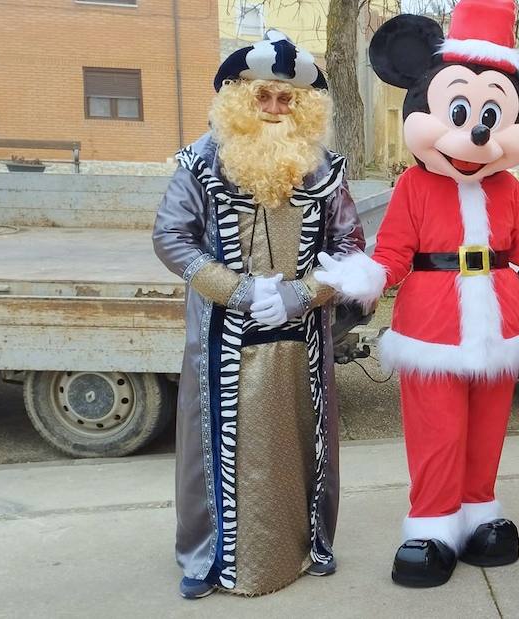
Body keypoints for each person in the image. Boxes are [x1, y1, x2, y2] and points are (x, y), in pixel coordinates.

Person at [314, 2, 519, 588]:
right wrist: (366, 277)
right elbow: (391, 253)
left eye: (492, 113)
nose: (477, 132)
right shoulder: (415, 183)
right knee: (437, 430)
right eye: (461, 110)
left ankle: (478, 512)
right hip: (433, 324)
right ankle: (433, 525)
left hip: (501, 323)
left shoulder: (509, 189)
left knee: (488, 427)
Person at [154, 30, 360, 599]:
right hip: (224, 334)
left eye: (286, 99)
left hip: (301, 339)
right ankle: (206, 558)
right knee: (213, 444)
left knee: (304, 438)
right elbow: (172, 237)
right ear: (241, 100)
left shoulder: (325, 171)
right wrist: (236, 290)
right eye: (263, 97)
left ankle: (309, 543)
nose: (273, 110)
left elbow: (349, 246)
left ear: (303, 105)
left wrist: (306, 293)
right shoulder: (200, 163)